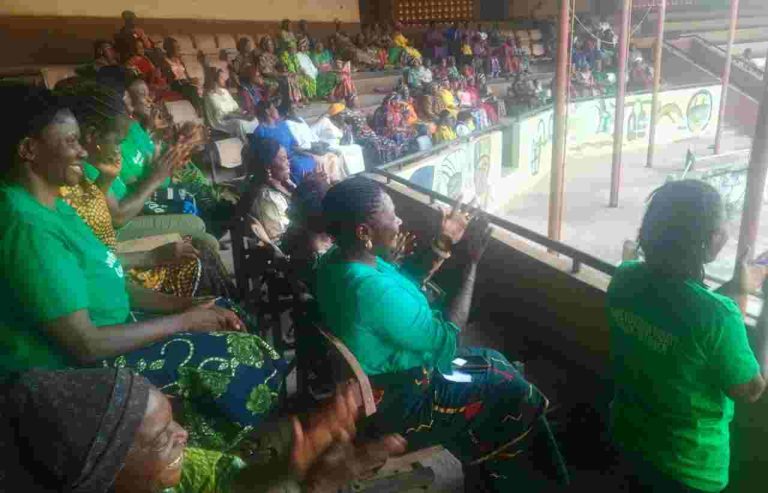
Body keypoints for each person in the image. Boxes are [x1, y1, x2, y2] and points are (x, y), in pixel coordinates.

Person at [0, 85, 288, 448]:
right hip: (75, 374)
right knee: (238, 358)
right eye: (72, 142)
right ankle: (195, 457)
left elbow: (112, 280)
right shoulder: (26, 226)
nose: (83, 151)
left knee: (224, 310)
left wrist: (184, 305)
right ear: (28, 150)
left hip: (113, 332)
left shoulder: (54, 205)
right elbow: (83, 344)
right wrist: (183, 322)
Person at [316, 177, 554, 491]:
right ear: (364, 232)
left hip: (382, 384)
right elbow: (449, 338)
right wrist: (471, 264)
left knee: (494, 361)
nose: (399, 221)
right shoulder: (367, 289)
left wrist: (443, 242)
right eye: (392, 216)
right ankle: (530, 480)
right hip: (404, 405)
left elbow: (403, 284)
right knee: (514, 389)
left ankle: (486, 469)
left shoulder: (338, 262)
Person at [0, 368, 407, 492]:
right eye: (163, 437)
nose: (185, 434)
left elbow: (224, 480)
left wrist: (289, 471)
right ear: (101, 473)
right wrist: (312, 486)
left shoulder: (159, 476)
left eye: (172, 419)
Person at [608, 180, 768, 493]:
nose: (726, 233)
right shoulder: (717, 316)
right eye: (721, 228)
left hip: (628, 440)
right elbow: (750, 389)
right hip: (687, 468)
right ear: (710, 242)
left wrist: (738, 289)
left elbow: (680, 310)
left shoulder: (624, 278)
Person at [252, 100, 318, 185]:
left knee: (312, 160)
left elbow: (293, 145)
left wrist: (308, 153)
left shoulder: (283, 125)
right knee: (299, 167)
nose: (277, 110)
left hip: (293, 154)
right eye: (274, 108)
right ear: (267, 111)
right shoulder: (261, 131)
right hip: (279, 161)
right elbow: (262, 154)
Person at [244, 137, 295, 241]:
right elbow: (279, 236)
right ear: (268, 166)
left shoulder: (281, 186)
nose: (288, 163)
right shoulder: (269, 198)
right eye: (283, 159)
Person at [203, 68, 259, 141]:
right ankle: (244, 142)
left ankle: (256, 138)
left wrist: (243, 113)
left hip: (233, 114)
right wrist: (240, 116)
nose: (224, 80)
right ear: (215, 79)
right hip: (221, 120)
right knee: (238, 123)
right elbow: (221, 113)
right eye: (221, 78)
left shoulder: (225, 92)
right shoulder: (210, 95)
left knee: (254, 119)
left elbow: (235, 107)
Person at [161, 37, 203, 112]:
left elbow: (186, 76)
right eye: (177, 48)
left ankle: (202, 111)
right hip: (176, 85)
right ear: (170, 49)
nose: (179, 49)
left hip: (185, 83)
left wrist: (192, 80)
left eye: (179, 47)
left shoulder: (180, 61)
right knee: (193, 89)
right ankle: (199, 111)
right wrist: (188, 82)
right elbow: (170, 80)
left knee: (201, 88)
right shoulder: (165, 63)